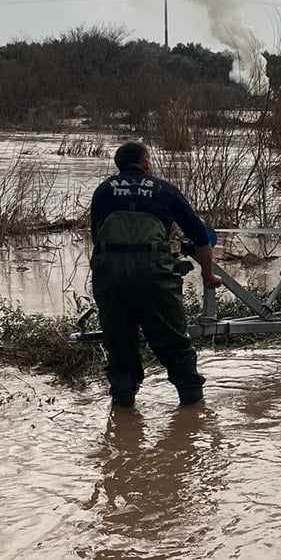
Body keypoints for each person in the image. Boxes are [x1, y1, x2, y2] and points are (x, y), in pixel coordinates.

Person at [90, 140, 222, 408]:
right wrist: (208, 276)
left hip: (111, 278)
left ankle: (124, 421)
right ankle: (193, 415)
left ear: (119, 166)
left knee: (119, 345)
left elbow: (97, 237)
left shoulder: (103, 191)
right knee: (174, 343)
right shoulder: (164, 190)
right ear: (146, 164)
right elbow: (200, 238)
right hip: (155, 278)